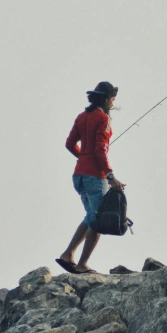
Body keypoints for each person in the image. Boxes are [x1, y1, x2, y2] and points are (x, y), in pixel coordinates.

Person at [56, 81, 126, 275]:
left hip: (79, 176)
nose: (113, 103)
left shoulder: (82, 117)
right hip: (95, 176)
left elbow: (70, 144)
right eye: (112, 99)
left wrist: (83, 158)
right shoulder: (103, 119)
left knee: (91, 216)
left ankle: (68, 254)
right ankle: (81, 264)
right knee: (98, 220)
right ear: (105, 99)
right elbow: (100, 150)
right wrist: (111, 176)